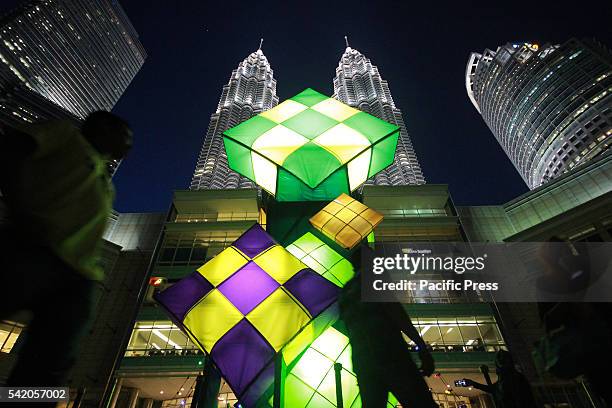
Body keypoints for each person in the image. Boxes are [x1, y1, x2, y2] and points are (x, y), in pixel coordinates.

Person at [0, 112, 132, 389]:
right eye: (125, 134)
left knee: (50, 363)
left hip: (77, 277)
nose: (129, 144)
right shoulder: (65, 135)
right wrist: (20, 210)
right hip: (34, 250)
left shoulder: (105, 184)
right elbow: (13, 148)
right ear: (102, 128)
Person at [339, 275, 438, 408]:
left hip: (364, 363)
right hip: (393, 356)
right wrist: (422, 347)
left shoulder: (346, 291)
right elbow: (398, 314)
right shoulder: (375, 281)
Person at [462, 350, 537, 408]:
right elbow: (492, 389)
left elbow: (521, 399)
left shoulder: (515, 378)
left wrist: (473, 383)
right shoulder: (504, 379)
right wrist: (473, 383)